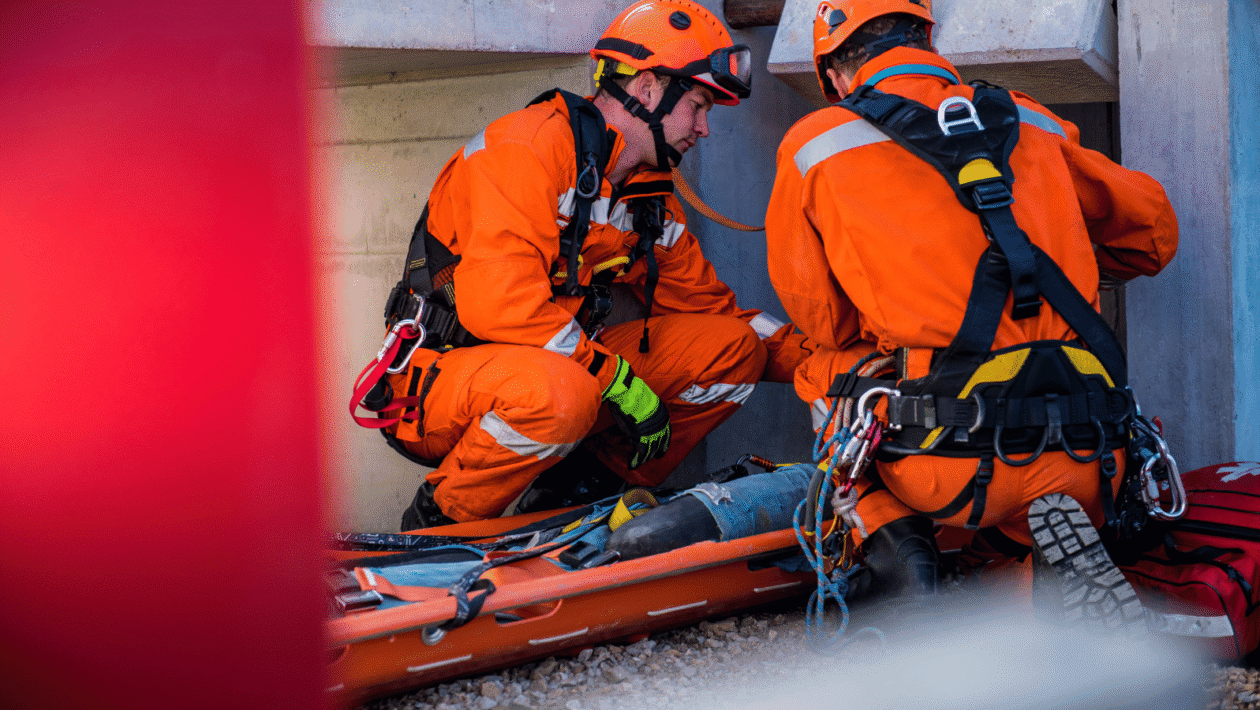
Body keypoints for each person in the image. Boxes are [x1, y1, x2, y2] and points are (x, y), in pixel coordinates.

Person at [765, 0, 1177, 627]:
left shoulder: (815, 144)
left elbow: (825, 320)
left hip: (944, 469)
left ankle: (895, 543)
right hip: (1093, 457)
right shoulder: (1030, 117)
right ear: (928, 36)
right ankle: (1030, 551)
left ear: (835, 71)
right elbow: (1154, 234)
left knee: (820, 366)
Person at [353, 0, 811, 529]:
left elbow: (718, 312)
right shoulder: (525, 149)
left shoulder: (649, 200)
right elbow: (500, 303)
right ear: (646, 89)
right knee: (562, 394)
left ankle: (575, 502)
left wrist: (829, 363)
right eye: (699, 106)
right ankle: (438, 523)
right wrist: (612, 376)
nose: (704, 128)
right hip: (437, 381)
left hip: (557, 373)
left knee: (733, 350)